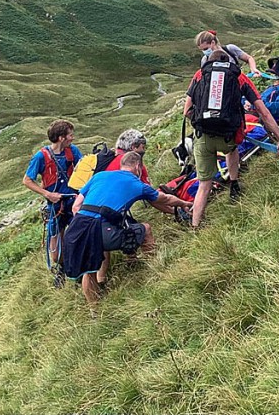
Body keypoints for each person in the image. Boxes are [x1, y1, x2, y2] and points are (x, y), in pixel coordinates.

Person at [62, 151, 191, 305]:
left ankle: (94, 311)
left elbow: (76, 206)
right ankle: (156, 271)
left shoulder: (99, 176)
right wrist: (184, 204)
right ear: (138, 167)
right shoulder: (136, 184)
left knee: (88, 272)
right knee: (146, 229)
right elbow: (165, 198)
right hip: (100, 229)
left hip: (76, 229)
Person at [183, 50, 279, 227]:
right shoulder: (239, 78)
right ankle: (234, 184)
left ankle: (196, 226)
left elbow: (186, 111)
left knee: (204, 185)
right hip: (229, 136)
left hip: (203, 137)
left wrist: (204, 120)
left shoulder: (199, 75)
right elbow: (263, 112)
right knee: (231, 150)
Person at [22, 120, 83, 265]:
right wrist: (47, 194)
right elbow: (27, 180)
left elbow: (83, 168)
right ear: (61, 138)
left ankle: (77, 267)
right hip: (55, 207)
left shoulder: (72, 150)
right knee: (55, 253)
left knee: (80, 235)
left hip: (73, 201)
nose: (72, 138)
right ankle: (61, 267)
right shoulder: (41, 157)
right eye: (70, 135)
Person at [106, 128, 173, 215]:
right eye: (143, 147)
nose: (144, 150)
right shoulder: (134, 164)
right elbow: (151, 197)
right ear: (133, 147)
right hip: (110, 211)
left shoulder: (110, 160)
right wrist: (175, 211)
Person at [195, 30, 262, 78]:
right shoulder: (204, 60)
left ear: (213, 42)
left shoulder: (230, 49)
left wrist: (253, 69)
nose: (204, 52)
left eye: (206, 49)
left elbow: (249, 58)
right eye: (202, 50)